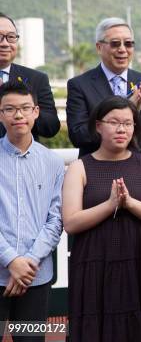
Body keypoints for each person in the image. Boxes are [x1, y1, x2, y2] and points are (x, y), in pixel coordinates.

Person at [62, 96, 141, 341]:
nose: (122, 129)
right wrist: (110, 205)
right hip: (92, 264)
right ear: (98, 126)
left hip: (136, 261)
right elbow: (71, 222)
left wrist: (128, 203)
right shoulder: (80, 167)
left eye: (128, 123)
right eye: (114, 122)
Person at [0, 81, 64, 342]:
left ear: (36, 111)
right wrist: (11, 260)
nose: (19, 115)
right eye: (10, 109)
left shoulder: (53, 162)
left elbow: (56, 219)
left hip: (35, 277)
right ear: (0, 113)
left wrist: (29, 261)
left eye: (25, 108)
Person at [66, 17, 141, 157]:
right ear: (99, 47)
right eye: (115, 44)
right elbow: (78, 136)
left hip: (138, 170)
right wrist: (126, 108)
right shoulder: (80, 85)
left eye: (128, 44)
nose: (122, 49)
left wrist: (139, 111)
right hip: (97, 170)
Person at [0, 13, 60, 140]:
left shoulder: (36, 79)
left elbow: (51, 127)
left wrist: (24, 110)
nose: (5, 43)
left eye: (11, 37)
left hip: (24, 157)